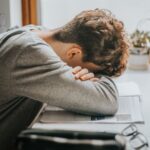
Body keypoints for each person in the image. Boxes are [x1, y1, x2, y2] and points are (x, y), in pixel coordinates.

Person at [0, 9, 129, 150]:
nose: (88, 75)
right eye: (92, 71)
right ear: (74, 52)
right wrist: (99, 77)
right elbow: (108, 101)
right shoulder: (31, 53)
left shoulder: (36, 32)